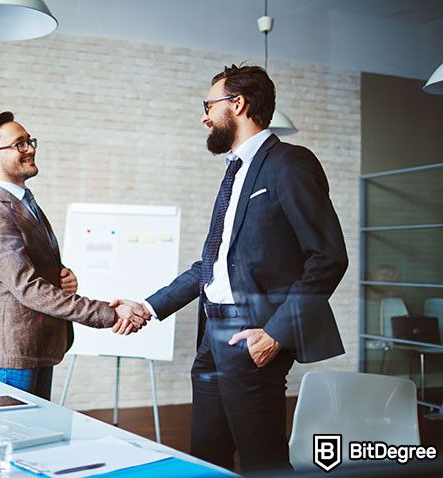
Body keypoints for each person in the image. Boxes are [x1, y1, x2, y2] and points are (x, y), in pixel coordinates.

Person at [124, 65, 348, 472]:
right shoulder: (235, 171)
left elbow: (328, 257)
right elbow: (210, 264)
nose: (204, 116)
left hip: (254, 333)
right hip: (212, 333)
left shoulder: (290, 164)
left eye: (209, 105)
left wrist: (276, 334)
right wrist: (149, 306)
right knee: (206, 454)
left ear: (238, 104)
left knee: (263, 460)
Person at [0, 111, 150, 400]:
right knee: (9, 441)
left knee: (37, 440)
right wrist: (109, 312)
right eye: (19, 144)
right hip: (13, 352)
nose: (30, 149)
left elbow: (30, 263)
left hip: (38, 346)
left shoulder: (24, 201)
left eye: (30, 141)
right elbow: (27, 287)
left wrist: (61, 274)